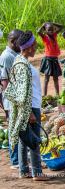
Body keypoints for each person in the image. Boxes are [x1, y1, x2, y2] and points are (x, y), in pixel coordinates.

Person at [4, 31, 47, 181]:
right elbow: (23, 92)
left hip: (28, 107)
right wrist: (29, 113)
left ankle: (24, 170)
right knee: (34, 140)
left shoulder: (19, 60)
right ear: (28, 48)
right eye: (35, 45)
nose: (36, 48)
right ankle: (37, 173)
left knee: (24, 139)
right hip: (30, 107)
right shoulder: (22, 65)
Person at [0, 29, 23, 169]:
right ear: (13, 41)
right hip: (12, 100)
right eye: (20, 41)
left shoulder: (14, 54)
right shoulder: (6, 56)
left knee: (19, 129)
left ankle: (19, 157)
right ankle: (15, 160)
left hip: (17, 98)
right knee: (14, 130)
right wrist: (16, 100)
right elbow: (4, 81)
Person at [38, 22, 63, 96]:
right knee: (46, 79)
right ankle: (44, 96)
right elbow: (38, 32)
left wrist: (52, 23)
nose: (51, 31)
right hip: (48, 60)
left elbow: (61, 26)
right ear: (45, 31)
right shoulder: (45, 37)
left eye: (52, 30)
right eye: (49, 30)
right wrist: (43, 25)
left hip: (55, 60)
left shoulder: (54, 35)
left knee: (56, 78)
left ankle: (57, 95)